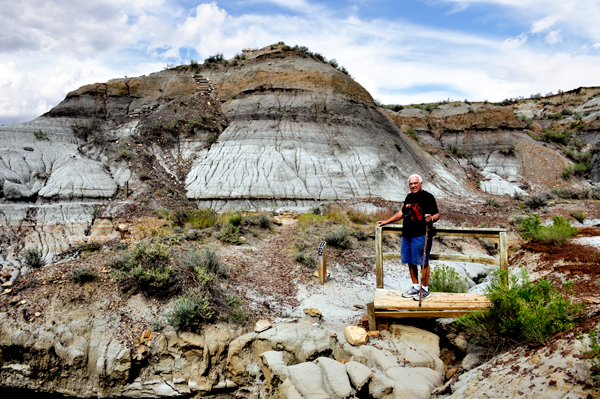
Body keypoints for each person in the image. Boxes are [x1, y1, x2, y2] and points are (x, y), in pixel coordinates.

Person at [376, 174, 440, 300]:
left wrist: (431, 218)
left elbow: (437, 214)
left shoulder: (428, 197)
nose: (413, 186)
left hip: (421, 235)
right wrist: (387, 221)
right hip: (407, 236)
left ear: (421, 183)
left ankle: (425, 290)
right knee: (410, 261)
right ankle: (416, 287)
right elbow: (402, 213)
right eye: (411, 184)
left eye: (416, 183)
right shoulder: (409, 197)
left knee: (422, 262)